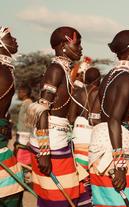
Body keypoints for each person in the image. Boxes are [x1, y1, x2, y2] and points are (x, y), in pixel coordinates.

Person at [88, 30, 129, 207]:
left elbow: (101, 117)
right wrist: (119, 165)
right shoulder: (128, 78)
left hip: (102, 149)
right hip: (113, 155)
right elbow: (114, 120)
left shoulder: (109, 76)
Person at [26, 26, 83, 207]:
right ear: (63, 44)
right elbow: (42, 109)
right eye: (78, 43)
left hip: (57, 139)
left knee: (65, 196)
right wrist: (44, 152)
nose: (81, 48)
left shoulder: (62, 70)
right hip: (51, 141)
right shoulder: (56, 69)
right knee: (59, 199)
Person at [68, 64, 101, 207]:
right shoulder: (99, 93)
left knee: (79, 173)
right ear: (98, 80)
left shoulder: (77, 93)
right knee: (91, 173)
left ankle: (79, 200)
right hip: (92, 136)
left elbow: (70, 118)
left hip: (77, 135)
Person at [0, 26, 24, 207]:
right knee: (11, 192)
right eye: (10, 37)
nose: (15, 40)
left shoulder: (5, 70)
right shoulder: (1, 71)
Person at [15, 85, 33, 184]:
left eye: (20, 91)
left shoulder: (28, 103)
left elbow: (30, 119)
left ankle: (25, 176)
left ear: (25, 93)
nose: (18, 94)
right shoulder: (25, 103)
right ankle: (23, 176)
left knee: (23, 155)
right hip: (22, 133)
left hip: (25, 134)